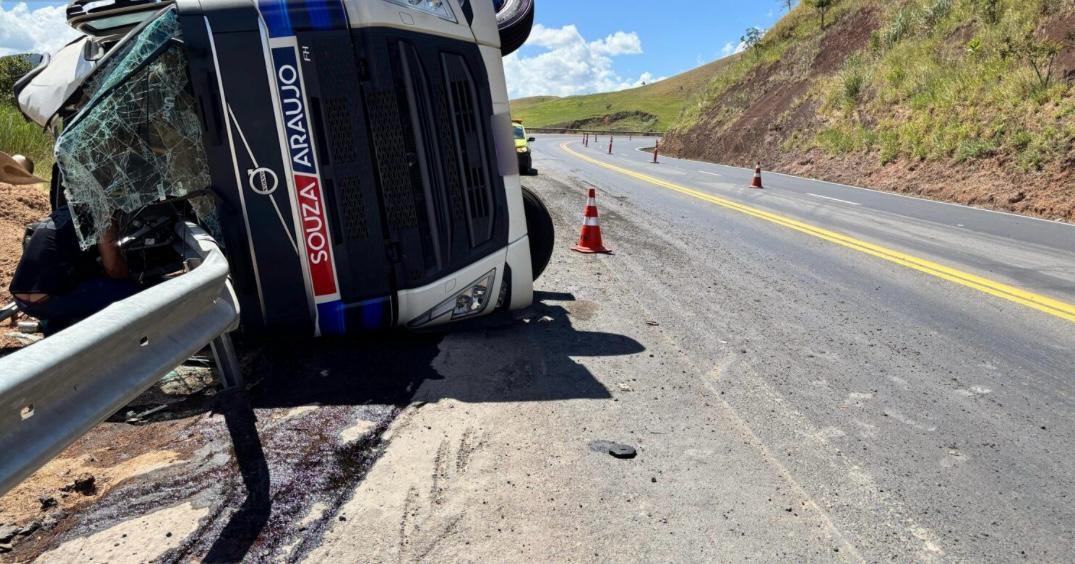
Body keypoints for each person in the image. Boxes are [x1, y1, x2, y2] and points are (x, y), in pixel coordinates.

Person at [2, 152, 139, 335]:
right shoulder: (101, 213)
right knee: (132, 293)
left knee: (71, 289)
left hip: (22, 299)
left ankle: (56, 333)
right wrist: (132, 277)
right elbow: (113, 268)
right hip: (47, 300)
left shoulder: (66, 211)